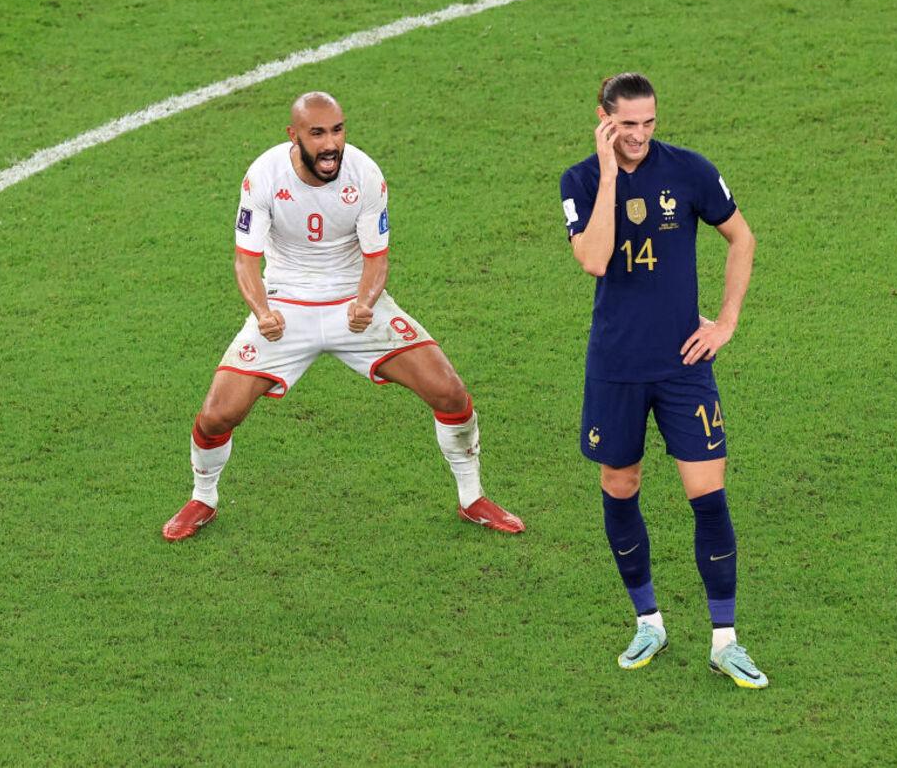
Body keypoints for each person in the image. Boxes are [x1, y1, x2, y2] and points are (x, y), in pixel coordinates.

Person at [164, 92, 524, 541]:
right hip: (285, 306)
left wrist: (366, 301)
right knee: (218, 414)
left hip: (353, 305)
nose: (331, 143)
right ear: (293, 136)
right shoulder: (263, 175)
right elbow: (245, 261)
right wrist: (262, 311)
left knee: (449, 392)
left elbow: (378, 259)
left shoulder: (366, 173)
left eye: (337, 130)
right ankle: (203, 498)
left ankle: (472, 498)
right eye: (318, 133)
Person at [559, 73, 766, 688]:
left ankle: (724, 640)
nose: (640, 136)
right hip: (616, 366)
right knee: (620, 485)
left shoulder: (690, 170)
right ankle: (648, 620)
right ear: (603, 119)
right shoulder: (580, 180)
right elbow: (595, 258)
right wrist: (608, 172)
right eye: (627, 125)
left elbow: (742, 238)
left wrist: (726, 322)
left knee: (709, 493)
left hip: (683, 365)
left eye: (649, 123)